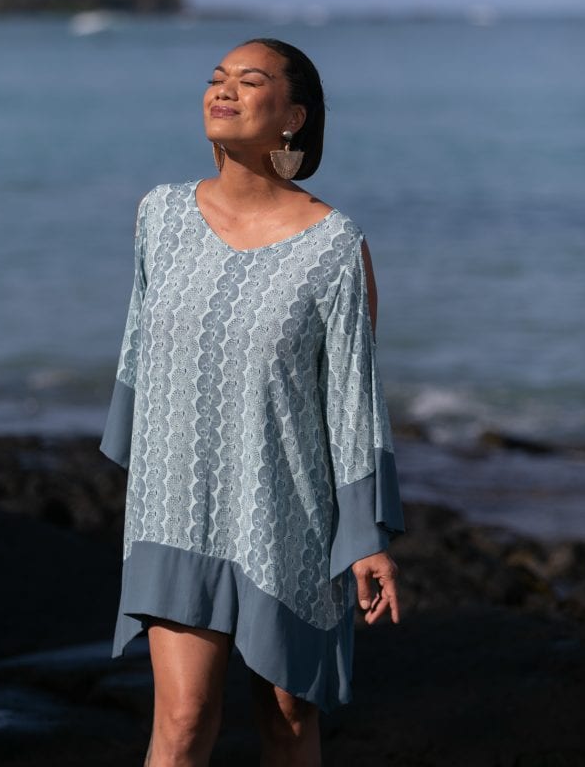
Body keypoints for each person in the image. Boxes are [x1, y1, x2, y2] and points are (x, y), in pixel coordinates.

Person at [99, 38, 405, 767]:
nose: (223, 90)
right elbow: (138, 347)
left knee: (287, 719)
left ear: (293, 116)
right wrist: (136, 465)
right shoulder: (159, 215)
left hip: (286, 509)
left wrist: (365, 534)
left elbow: (352, 396)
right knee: (182, 720)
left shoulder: (334, 245)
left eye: (249, 80)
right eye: (217, 78)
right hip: (175, 502)